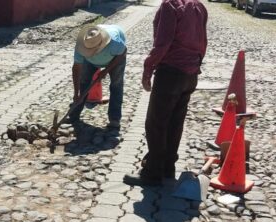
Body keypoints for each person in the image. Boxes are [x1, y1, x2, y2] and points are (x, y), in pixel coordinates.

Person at [124, 0, 208, 186]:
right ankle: (168, 168)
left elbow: (163, 43)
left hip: (170, 72)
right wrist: (195, 65)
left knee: (156, 124)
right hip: (190, 74)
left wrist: (148, 68)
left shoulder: (170, 5)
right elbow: (203, 43)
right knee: (174, 123)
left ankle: (152, 173)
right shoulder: (199, 7)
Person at [70, 24, 127, 129]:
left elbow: (122, 53)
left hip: (115, 60)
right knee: (84, 83)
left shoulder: (114, 43)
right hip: (90, 62)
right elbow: (76, 69)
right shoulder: (82, 45)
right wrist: (76, 93)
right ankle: (74, 113)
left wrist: (106, 70)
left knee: (116, 85)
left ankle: (114, 119)